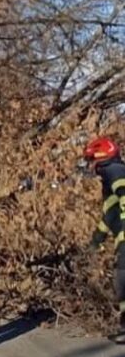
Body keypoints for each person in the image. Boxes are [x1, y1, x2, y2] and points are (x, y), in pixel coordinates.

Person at [83, 137, 125, 344]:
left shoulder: (113, 170)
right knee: (121, 279)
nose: (90, 166)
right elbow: (109, 215)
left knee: (122, 278)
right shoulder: (111, 176)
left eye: (91, 160)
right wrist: (95, 242)